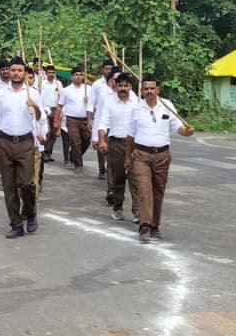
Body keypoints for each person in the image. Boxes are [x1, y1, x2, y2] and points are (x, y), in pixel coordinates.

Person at [127, 74, 194, 242]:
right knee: (144, 190)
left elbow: (178, 127)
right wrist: (128, 157)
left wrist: (187, 132)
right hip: (141, 154)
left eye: (152, 88)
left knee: (158, 191)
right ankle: (144, 226)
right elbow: (130, 135)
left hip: (162, 155)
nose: (149, 91)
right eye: (145, 89)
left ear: (157, 89)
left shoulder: (167, 106)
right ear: (141, 91)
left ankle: (155, 224)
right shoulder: (136, 108)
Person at [0, 58, 45, 239]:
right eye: (13, 70)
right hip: (5, 142)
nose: (16, 73)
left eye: (20, 70)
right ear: (8, 72)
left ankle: (30, 211)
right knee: (9, 186)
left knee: (27, 183)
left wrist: (34, 107)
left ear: (25, 73)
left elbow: (40, 119)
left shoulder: (33, 93)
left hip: (26, 142)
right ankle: (16, 224)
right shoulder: (1, 93)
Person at [97, 73, 140, 221]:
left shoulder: (137, 103)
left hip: (134, 145)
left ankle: (137, 211)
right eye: (120, 85)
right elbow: (103, 123)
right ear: (116, 86)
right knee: (118, 178)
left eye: (126, 86)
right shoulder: (109, 102)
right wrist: (102, 140)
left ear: (130, 87)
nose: (123, 88)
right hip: (115, 144)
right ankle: (117, 207)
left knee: (135, 178)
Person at [57, 66, 92, 170]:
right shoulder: (66, 90)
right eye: (76, 75)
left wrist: (89, 101)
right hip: (71, 119)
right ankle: (78, 164)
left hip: (85, 119)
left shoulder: (89, 89)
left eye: (80, 75)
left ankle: (73, 155)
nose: (78, 77)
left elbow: (95, 104)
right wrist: (57, 121)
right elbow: (60, 106)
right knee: (75, 141)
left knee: (86, 141)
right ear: (72, 77)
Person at [38, 65, 62, 162]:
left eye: (53, 73)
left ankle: (48, 152)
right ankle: (43, 152)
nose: (51, 74)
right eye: (49, 73)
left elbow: (61, 97)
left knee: (54, 133)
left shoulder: (58, 84)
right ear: (46, 73)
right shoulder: (42, 84)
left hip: (56, 109)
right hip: (45, 109)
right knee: (46, 131)